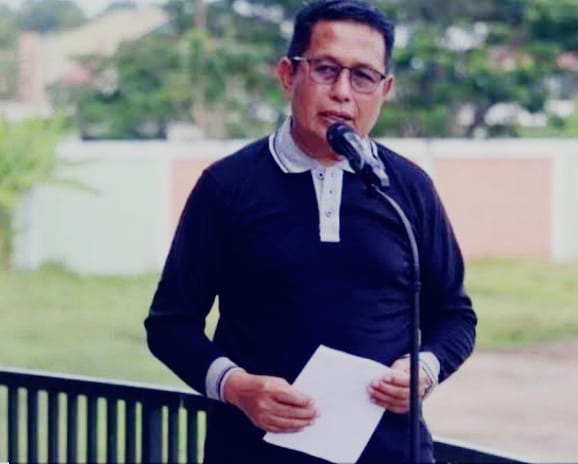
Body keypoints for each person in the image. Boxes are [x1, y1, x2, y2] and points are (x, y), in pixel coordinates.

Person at [145, 1, 477, 462]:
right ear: (288, 75)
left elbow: (456, 317)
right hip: (252, 453)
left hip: (390, 452)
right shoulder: (227, 186)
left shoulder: (408, 189)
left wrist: (425, 369)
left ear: (385, 89)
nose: (342, 93)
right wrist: (236, 387)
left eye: (363, 77)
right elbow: (170, 325)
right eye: (325, 70)